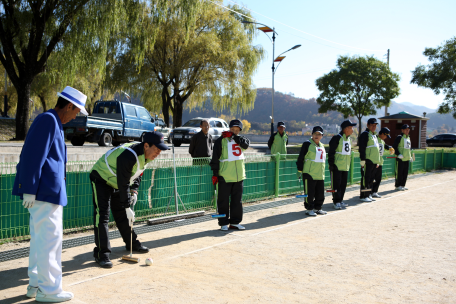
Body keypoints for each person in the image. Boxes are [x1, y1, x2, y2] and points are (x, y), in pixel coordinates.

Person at [12, 86, 88, 302]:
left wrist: (29, 189)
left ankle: (36, 285)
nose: (75, 116)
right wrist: (28, 188)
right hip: (45, 192)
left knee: (40, 241)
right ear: (70, 105)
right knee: (49, 242)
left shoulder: (51, 120)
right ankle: (50, 290)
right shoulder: (49, 120)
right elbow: (32, 156)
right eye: (76, 112)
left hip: (44, 192)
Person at [89, 132, 169, 268]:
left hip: (116, 181)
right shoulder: (128, 156)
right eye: (157, 149)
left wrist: (134, 191)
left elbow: (137, 174)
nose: (158, 153)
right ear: (146, 145)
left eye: (160, 150)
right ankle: (101, 254)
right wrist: (127, 206)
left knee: (121, 215)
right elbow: (123, 182)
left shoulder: (145, 156)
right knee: (102, 215)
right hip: (101, 178)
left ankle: (132, 243)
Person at [210, 119, 250, 231]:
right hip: (225, 175)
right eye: (232, 129)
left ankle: (235, 222)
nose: (234, 131)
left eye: (237, 130)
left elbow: (245, 145)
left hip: (239, 176)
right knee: (223, 200)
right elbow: (215, 158)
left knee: (237, 201)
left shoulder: (242, 139)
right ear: (229, 128)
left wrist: (234, 137)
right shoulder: (220, 141)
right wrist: (215, 174)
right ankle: (223, 222)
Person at [296, 126, 327, 216]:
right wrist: (299, 169)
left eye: (319, 134)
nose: (317, 136)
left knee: (320, 193)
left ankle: (318, 208)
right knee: (310, 193)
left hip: (320, 174)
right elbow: (301, 157)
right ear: (312, 134)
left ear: (322, 136)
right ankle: (309, 209)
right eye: (315, 134)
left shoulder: (322, 145)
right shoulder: (307, 144)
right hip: (309, 173)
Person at [328, 119, 357, 210]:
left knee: (343, 185)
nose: (352, 129)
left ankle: (340, 200)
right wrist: (331, 164)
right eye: (351, 127)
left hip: (346, 166)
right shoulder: (337, 138)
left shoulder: (348, 139)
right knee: (336, 184)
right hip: (337, 166)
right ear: (345, 129)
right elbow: (331, 152)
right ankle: (336, 201)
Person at [358, 118, 381, 202]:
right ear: (367, 125)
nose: (374, 127)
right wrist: (363, 159)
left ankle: (369, 194)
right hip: (368, 160)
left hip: (374, 161)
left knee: (371, 179)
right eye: (372, 125)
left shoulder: (374, 135)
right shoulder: (365, 134)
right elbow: (362, 148)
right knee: (366, 179)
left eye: (375, 125)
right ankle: (364, 196)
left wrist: (378, 161)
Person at [372, 127, 395, 197]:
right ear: (382, 134)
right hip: (374, 161)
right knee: (372, 178)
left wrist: (390, 147)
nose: (386, 137)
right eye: (385, 135)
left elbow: (385, 146)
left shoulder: (382, 141)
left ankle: (375, 191)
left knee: (378, 178)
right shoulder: (375, 138)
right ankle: (369, 192)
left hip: (380, 161)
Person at [393, 124, 412, 191]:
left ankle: (402, 185)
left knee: (405, 173)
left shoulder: (408, 138)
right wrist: (398, 154)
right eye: (406, 129)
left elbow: (409, 148)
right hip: (400, 158)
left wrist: (410, 156)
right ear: (402, 130)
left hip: (407, 158)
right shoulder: (399, 137)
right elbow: (394, 147)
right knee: (399, 172)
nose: (407, 130)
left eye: (408, 129)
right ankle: (398, 185)